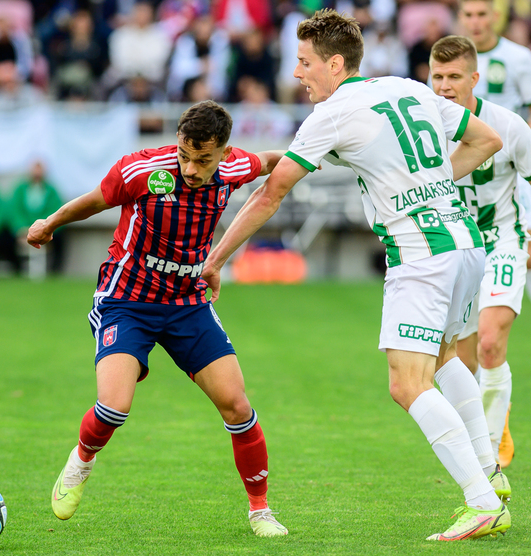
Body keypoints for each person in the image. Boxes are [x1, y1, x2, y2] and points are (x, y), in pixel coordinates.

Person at [202, 10, 510, 542]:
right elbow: (486, 139)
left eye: (305, 62)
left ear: (335, 64)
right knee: (444, 357)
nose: (297, 73)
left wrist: (215, 260)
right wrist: (430, 181)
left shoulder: (332, 114)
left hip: (421, 254)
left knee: (407, 383)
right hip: (464, 243)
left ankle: (481, 501)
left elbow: (272, 193)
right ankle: (490, 473)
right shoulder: (407, 87)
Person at [25, 101, 290, 538]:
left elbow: (270, 161)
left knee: (238, 406)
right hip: (126, 299)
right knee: (114, 407)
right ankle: (81, 461)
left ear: (224, 153)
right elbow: (95, 200)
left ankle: (260, 511)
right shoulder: (143, 169)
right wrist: (49, 223)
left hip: (187, 302)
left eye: (203, 159)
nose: (190, 168)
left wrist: (312, 155)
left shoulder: (235, 166)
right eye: (185, 155)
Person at [429, 35, 531, 482]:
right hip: (457, 250)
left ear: (475, 78)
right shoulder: (423, 130)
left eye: (453, 76)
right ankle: (493, 423)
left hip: (504, 241)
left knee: (490, 343)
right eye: (437, 76)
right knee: (461, 361)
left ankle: (488, 455)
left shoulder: (509, 126)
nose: (444, 86)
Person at [458, 0, 531, 467]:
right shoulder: (449, 62)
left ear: (497, 17)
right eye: (468, 15)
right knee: (462, 346)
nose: (475, 22)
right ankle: (494, 412)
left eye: (482, 14)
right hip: (465, 186)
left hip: (509, 169)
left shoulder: (519, 58)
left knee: (529, 251)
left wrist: (516, 139)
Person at [8, 161, 64, 274]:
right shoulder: (20, 189)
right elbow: (14, 211)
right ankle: (17, 270)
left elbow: (57, 211)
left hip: (46, 229)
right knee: (6, 239)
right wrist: (21, 228)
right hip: (24, 229)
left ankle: (54, 271)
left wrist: (45, 227)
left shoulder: (51, 190)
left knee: (61, 239)